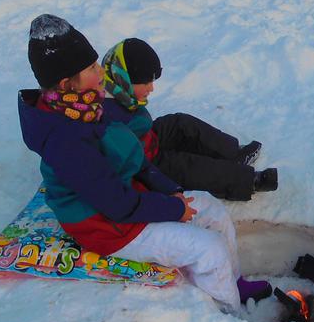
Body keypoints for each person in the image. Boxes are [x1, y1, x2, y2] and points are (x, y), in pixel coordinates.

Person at [17, 14, 272, 310]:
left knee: (213, 211)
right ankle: (230, 311)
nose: (101, 73)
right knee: (209, 249)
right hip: (104, 226)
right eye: (91, 68)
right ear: (66, 84)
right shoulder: (66, 140)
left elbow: (134, 159)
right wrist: (174, 208)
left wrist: (170, 189)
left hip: (126, 197)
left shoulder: (83, 106)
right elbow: (117, 205)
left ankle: (234, 283)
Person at [100, 38, 278, 201]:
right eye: (146, 83)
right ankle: (248, 181)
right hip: (141, 162)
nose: (152, 88)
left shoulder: (116, 91)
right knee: (186, 166)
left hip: (146, 137)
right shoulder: (107, 117)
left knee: (180, 124)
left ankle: (232, 152)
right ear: (123, 78)